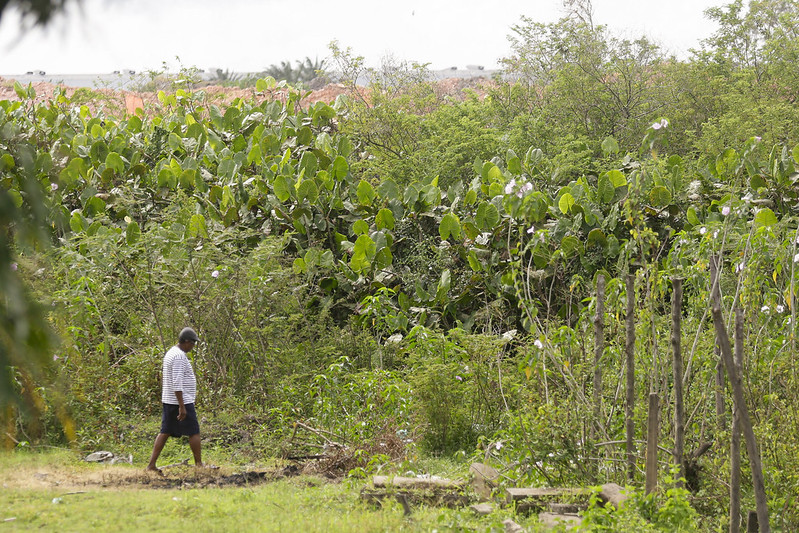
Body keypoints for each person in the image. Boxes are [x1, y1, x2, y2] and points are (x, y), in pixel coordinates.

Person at [146, 327, 204, 472]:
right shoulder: (178, 356)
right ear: (186, 341)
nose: (193, 346)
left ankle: (151, 465)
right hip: (180, 400)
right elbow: (177, 382)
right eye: (192, 343)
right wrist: (182, 406)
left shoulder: (172, 352)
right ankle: (199, 465)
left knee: (165, 431)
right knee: (194, 431)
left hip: (169, 400)